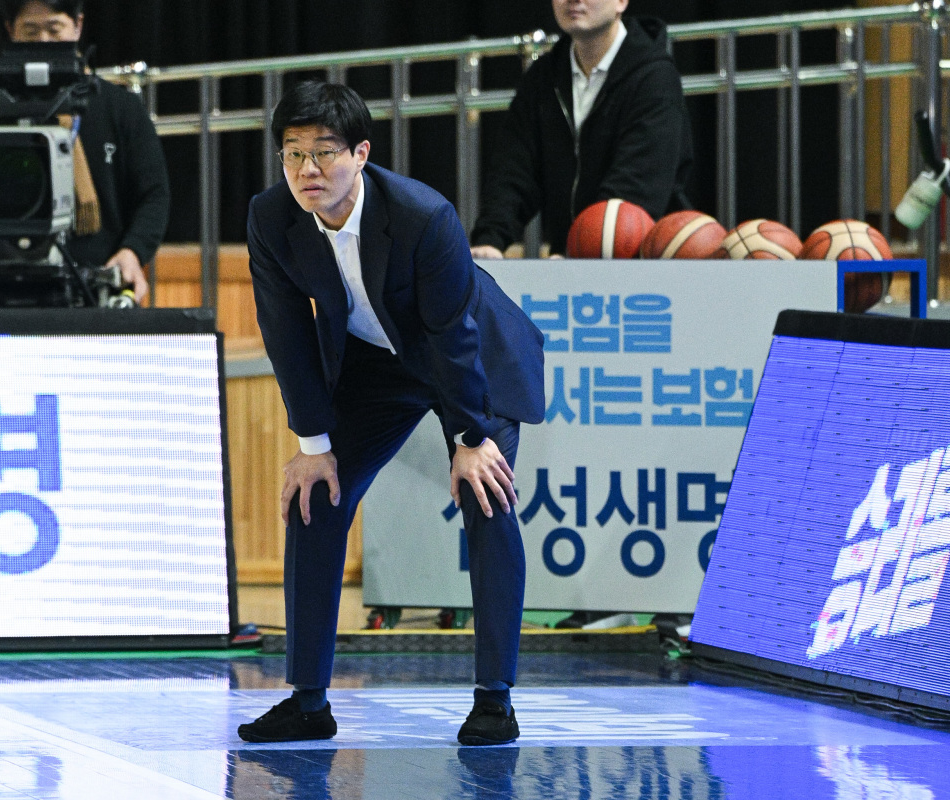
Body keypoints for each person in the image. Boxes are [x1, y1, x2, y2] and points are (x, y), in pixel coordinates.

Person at [238, 81, 546, 746]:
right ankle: (308, 702)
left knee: (486, 496)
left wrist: (469, 437)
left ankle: (494, 700)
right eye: (293, 153)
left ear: (361, 154)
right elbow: (285, 331)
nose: (308, 169)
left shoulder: (421, 215)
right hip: (377, 363)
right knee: (315, 496)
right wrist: (313, 443)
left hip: (470, 358)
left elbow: (454, 332)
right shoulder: (271, 217)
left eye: (325, 152)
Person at [470, 0, 692, 259]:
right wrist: (491, 238)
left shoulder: (654, 77)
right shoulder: (544, 76)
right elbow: (514, 169)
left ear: (621, 2)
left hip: (641, 261)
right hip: (572, 259)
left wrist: (579, 253)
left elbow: (636, 186)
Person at [3, 0, 170, 303]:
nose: (43, 42)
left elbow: (153, 194)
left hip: (100, 281)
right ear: (10, 31)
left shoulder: (119, 107)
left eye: (54, 30)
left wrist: (132, 251)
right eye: (30, 31)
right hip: (12, 283)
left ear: (78, 26)